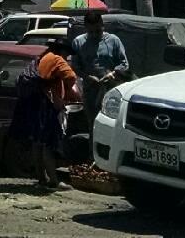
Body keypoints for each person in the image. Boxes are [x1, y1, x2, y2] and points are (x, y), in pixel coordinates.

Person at [9, 35, 79, 187]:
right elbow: (71, 76)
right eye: (67, 53)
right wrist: (70, 92)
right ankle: (54, 180)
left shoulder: (42, 58)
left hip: (32, 103)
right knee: (48, 143)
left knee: (37, 142)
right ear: (62, 51)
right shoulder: (57, 59)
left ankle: (41, 178)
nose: (67, 57)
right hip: (44, 106)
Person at [70, 10, 130, 141]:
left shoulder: (113, 40)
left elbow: (124, 63)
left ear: (102, 26)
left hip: (111, 90)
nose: (94, 35)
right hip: (90, 90)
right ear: (85, 28)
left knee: (111, 123)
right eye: (91, 32)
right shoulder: (78, 42)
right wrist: (87, 76)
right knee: (93, 123)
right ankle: (93, 154)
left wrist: (112, 73)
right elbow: (74, 66)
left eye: (98, 31)